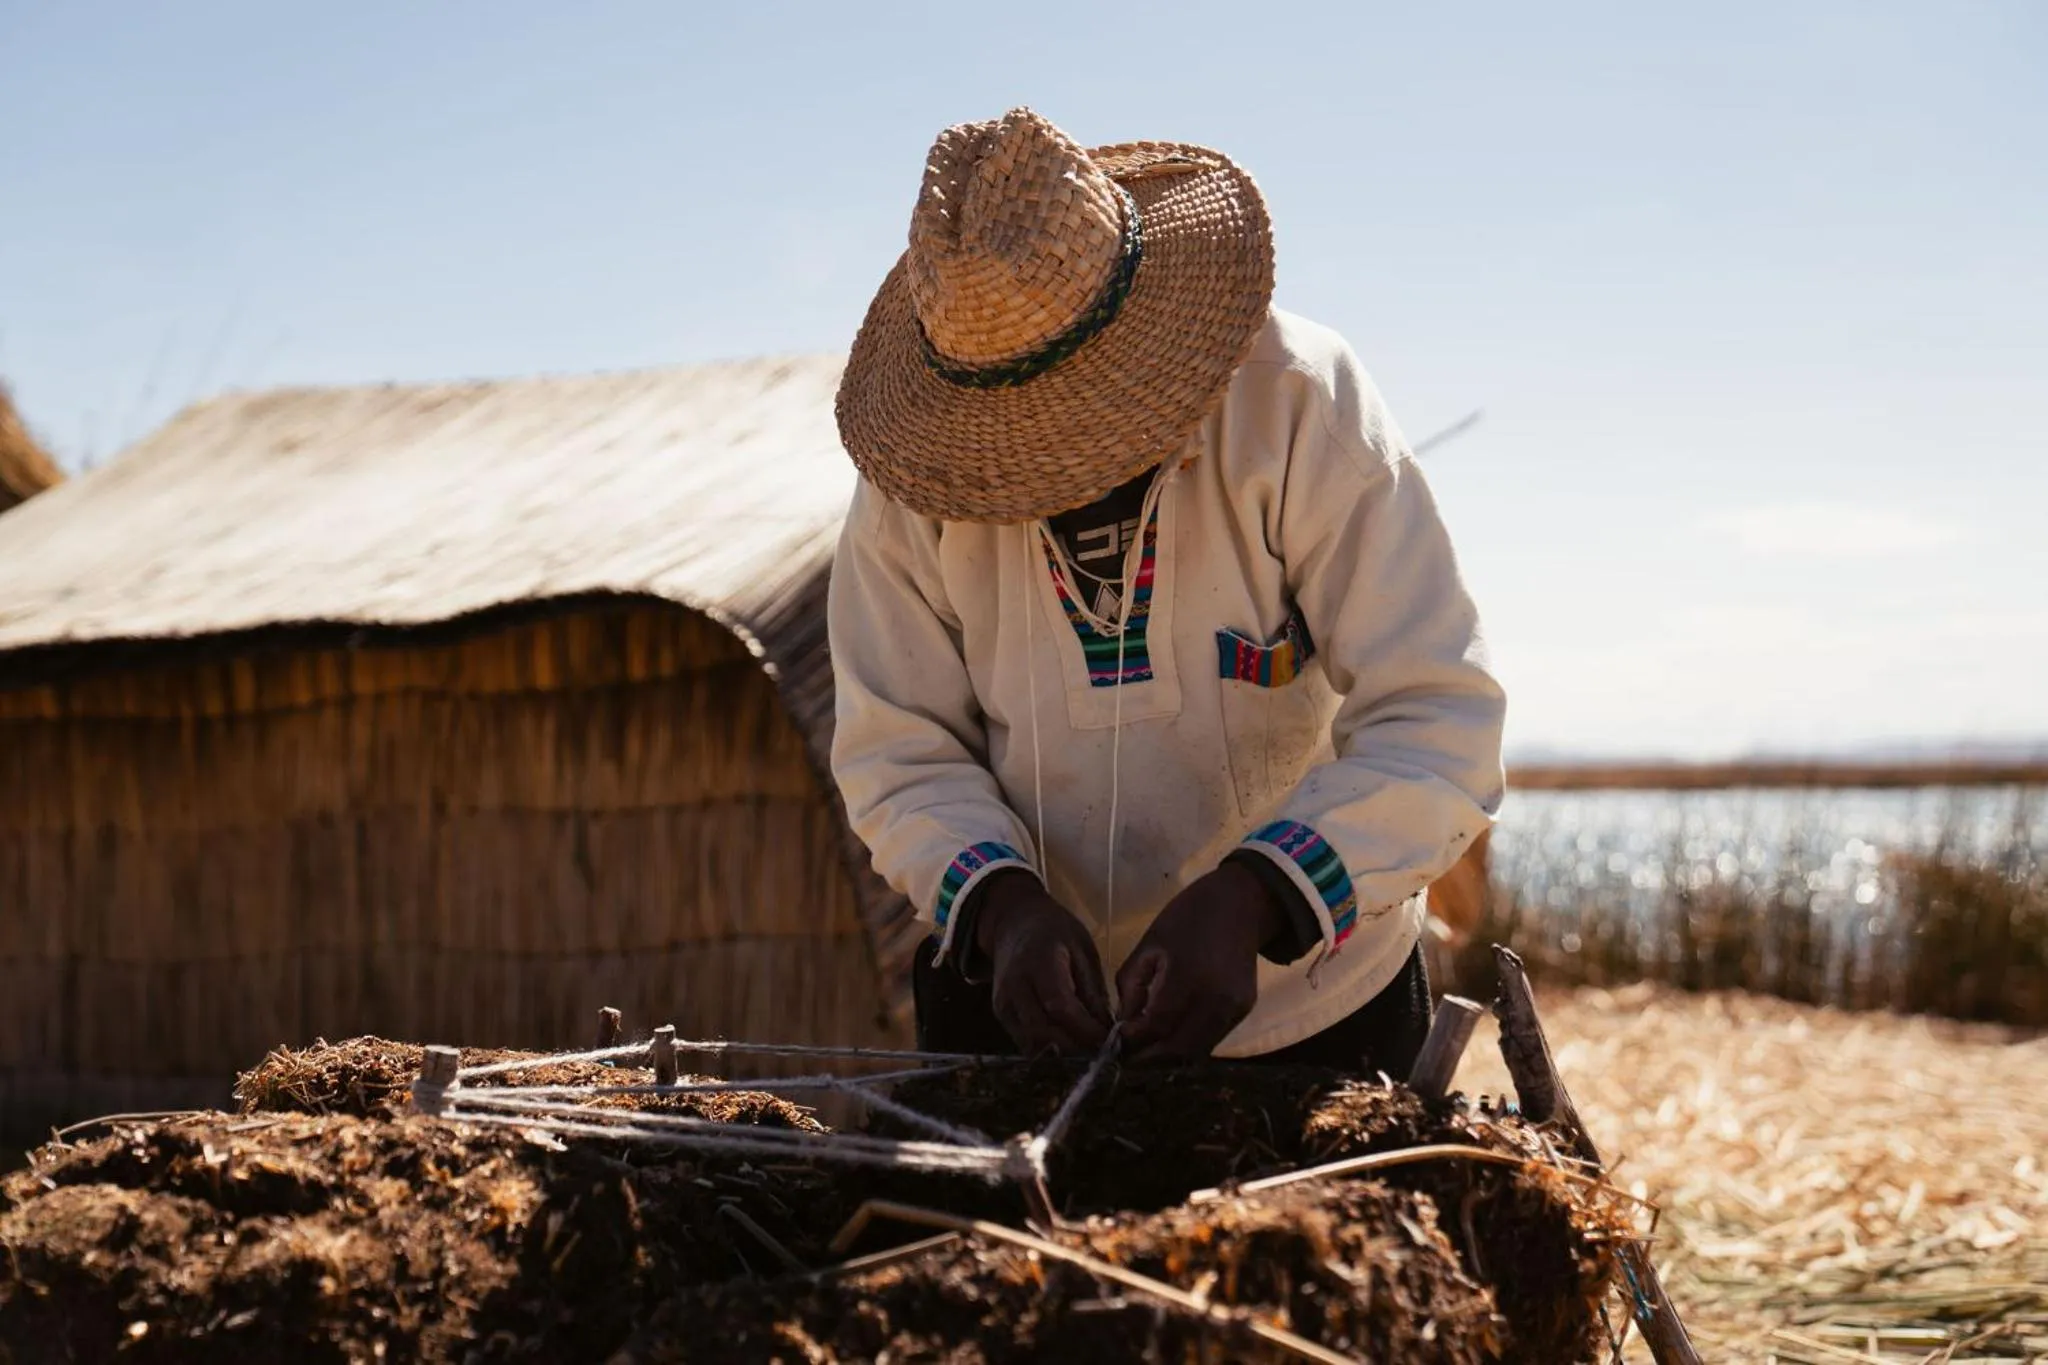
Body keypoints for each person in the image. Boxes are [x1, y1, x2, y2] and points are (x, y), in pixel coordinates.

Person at [827, 108, 1504, 1075]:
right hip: (1019, 1018)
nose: (1055, 459)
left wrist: (1258, 894)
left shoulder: (1296, 402)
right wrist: (999, 906)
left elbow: (1442, 715)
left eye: (1081, 413)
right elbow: (897, 747)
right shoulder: (919, 480)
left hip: (1313, 1014)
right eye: (1022, 429)